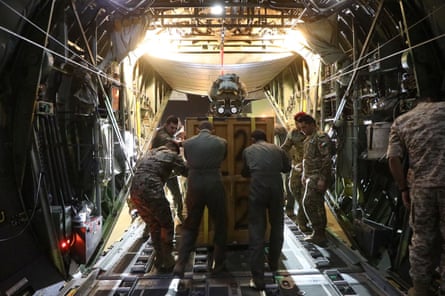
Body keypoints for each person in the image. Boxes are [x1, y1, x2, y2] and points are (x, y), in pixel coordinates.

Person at [387, 96, 445, 296]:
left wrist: (403, 189)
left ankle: (420, 288)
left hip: (421, 189)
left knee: (422, 239)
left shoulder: (403, 121)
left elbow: (393, 159)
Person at [173, 121, 228, 277]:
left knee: (191, 224)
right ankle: (218, 264)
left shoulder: (188, 143)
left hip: (194, 184)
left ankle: (181, 263)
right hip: (214, 183)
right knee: (220, 223)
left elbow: (188, 161)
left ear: (197, 129)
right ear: (213, 130)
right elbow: (223, 158)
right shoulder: (222, 142)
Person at [241, 129, 291, 290]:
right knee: (277, 226)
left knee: (256, 230)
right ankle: (274, 264)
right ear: (266, 138)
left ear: (252, 139)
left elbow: (245, 172)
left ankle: (258, 279)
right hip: (276, 189)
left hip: (258, 190)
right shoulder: (278, 149)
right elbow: (287, 168)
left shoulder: (248, 151)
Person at [129, 144, 187, 272]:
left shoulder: (150, 154)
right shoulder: (172, 155)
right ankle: (168, 259)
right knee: (166, 223)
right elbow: (186, 171)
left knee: (154, 224)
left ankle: (159, 258)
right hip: (150, 189)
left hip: (134, 191)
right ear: (174, 151)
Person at [296, 114, 333, 246]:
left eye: (304, 127)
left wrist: (323, 179)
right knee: (315, 204)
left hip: (318, 175)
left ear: (312, 124)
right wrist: (304, 174)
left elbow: (327, 159)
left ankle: (319, 232)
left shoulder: (320, 137)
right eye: (301, 128)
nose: (303, 130)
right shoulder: (309, 139)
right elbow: (306, 159)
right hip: (310, 176)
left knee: (309, 202)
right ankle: (318, 233)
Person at [151, 115, 185, 223]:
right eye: (172, 128)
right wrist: (182, 143)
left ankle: (178, 216)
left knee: (177, 195)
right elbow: (168, 142)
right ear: (166, 125)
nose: (174, 130)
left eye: (175, 128)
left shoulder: (165, 133)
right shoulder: (162, 135)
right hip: (159, 171)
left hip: (167, 171)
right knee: (160, 198)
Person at [281, 112, 310, 232]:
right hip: (297, 168)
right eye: (297, 123)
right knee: (294, 190)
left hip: (310, 169)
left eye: (301, 123)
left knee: (306, 197)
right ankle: (295, 214)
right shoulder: (293, 133)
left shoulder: (314, 134)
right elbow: (284, 148)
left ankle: (302, 222)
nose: (299, 126)